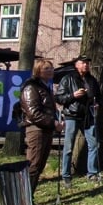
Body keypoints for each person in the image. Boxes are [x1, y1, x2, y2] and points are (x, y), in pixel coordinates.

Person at [55, 55, 102, 186]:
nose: (86, 65)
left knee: (94, 144)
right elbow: (59, 98)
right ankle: (66, 175)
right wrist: (73, 95)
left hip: (88, 115)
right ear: (77, 65)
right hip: (72, 115)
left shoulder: (92, 80)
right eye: (83, 63)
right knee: (69, 146)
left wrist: (97, 104)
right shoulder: (68, 79)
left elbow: (98, 96)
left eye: (87, 63)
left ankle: (92, 173)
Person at [19, 58, 64, 194]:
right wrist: (53, 123)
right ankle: (24, 199)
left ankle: (29, 197)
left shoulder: (46, 86)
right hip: (36, 129)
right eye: (46, 68)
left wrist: (58, 119)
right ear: (38, 70)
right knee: (33, 164)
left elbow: (49, 109)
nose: (50, 71)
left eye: (51, 68)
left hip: (46, 129)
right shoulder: (31, 87)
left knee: (40, 165)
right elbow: (33, 113)